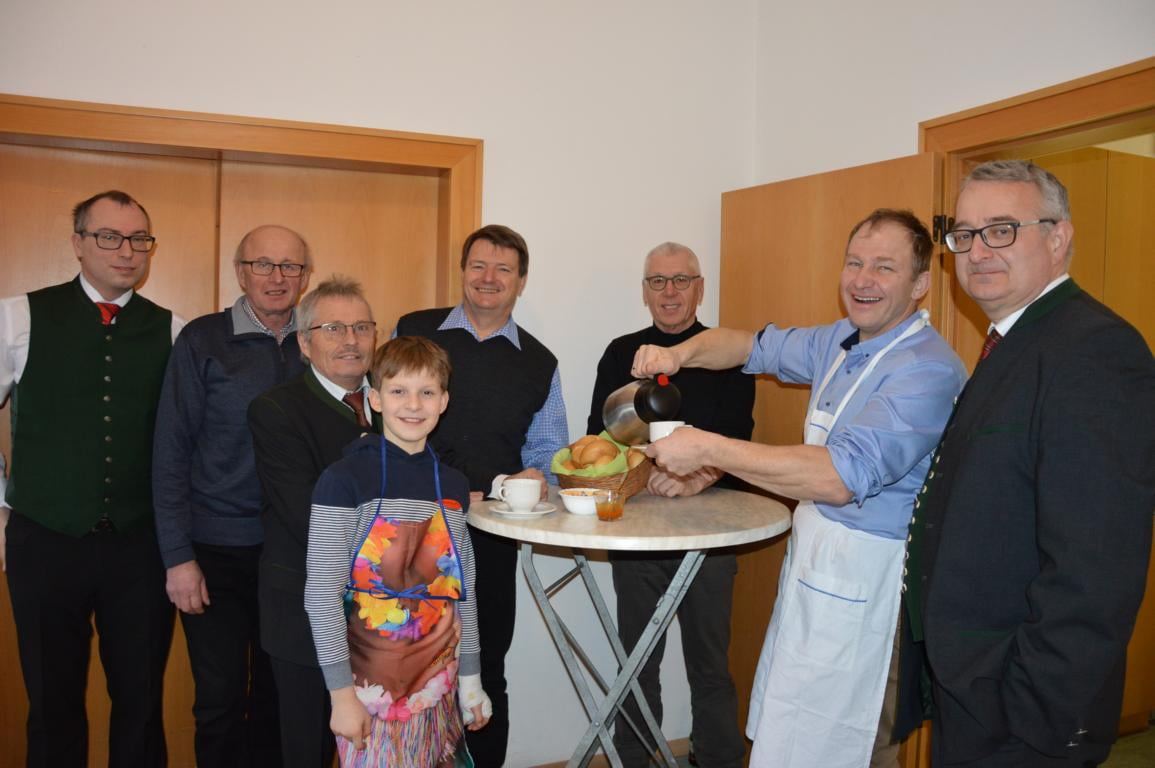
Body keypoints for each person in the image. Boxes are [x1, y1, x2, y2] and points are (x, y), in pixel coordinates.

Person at [632, 210, 967, 768]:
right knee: (794, 729)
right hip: (816, 571)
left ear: (920, 284)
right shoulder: (840, 340)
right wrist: (679, 354)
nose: (863, 279)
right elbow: (746, 347)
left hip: (876, 587)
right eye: (854, 263)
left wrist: (707, 448)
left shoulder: (925, 370)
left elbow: (838, 477)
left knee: (857, 742)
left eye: (884, 267)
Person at [899, 160, 1155, 767]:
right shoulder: (1014, 342)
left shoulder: (1094, 350)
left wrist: (1027, 706)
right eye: (964, 233)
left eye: (1001, 229)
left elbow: (1096, 567)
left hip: (1023, 714)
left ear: (1058, 237)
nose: (977, 251)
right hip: (976, 686)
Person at [0, 190, 184, 767]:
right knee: (50, 701)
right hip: (44, 539)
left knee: (141, 701)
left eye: (138, 239)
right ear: (78, 243)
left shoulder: (174, 331)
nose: (126, 251)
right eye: (109, 237)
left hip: (140, 546)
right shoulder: (18, 316)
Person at [395, 224, 568, 766]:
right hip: (408, 528)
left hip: (489, 537)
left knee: (486, 669)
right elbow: (389, 418)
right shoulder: (414, 331)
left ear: (521, 281)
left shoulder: (540, 361)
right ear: (462, 270)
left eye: (503, 269)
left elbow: (548, 453)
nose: (488, 278)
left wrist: (539, 477)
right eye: (478, 265)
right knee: (404, 666)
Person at [585, 241, 754, 768]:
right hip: (638, 532)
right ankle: (634, 760)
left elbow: (741, 439)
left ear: (700, 288)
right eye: (658, 281)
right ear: (644, 292)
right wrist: (646, 471)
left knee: (711, 666)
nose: (670, 291)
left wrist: (700, 477)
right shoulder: (621, 354)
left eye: (681, 280)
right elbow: (598, 441)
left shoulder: (727, 355)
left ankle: (718, 758)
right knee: (637, 665)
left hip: (713, 536)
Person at [153, 224, 313, 767]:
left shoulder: (319, 341)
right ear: (241, 272)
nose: (277, 277)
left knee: (279, 695)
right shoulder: (203, 340)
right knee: (218, 701)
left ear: (305, 275)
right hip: (214, 554)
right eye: (263, 264)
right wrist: (178, 557)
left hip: (290, 554)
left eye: (290, 266)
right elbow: (170, 452)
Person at [305, 336, 492, 767]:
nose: (413, 404)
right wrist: (341, 696)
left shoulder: (453, 486)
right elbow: (321, 596)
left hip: (438, 690)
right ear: (375, 399)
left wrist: (470, 681)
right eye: (398, 391)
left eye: (426, 392)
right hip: (369, 692)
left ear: (443, 401)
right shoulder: (343, 480)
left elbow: (464, 594)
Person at [248, 276, 379, 767]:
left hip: (389, 618)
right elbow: (311, 520)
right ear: (304, 343)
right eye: (334, 328)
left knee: (381, 745)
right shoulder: (276, 410)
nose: (351, 340)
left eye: (362, 327)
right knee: (307, 748)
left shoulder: (398, 403)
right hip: (306, 612)